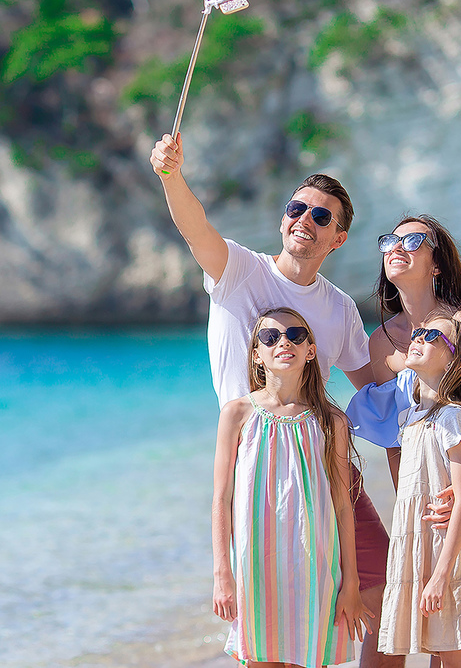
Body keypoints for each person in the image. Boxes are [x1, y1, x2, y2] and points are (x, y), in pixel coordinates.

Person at [151, 133, 401, 667]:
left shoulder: (338, 310)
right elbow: (193, 224)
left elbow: (377, 399)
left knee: (385, 588)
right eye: (297, 209)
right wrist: (172, 175)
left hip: (323, 458)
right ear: (283, 218)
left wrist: (423, 478)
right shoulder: (238, 271)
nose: (304, 220)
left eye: (320, 217)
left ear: (337, 239)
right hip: (257, 463)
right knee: (267, 622)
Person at [350, 216, 461, 667]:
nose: (398, 246)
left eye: (414, 240)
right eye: (391, 240)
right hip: (430, 508)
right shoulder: (382, 346)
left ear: (436, 263)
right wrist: (412, 508)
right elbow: (398, 442)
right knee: (444, 633)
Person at [211, 308, 370, 666]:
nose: (283, 342)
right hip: (255, 566)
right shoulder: (236, 414)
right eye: (270, 337)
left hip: (314, 566)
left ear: (311, 350)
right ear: (257, 354)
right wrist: (223, 573)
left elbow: (343, 505)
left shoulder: (331, 421)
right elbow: (220, 499)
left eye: (295, 335)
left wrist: (351, 582)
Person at [377, 314, 461, 666]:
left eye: (431, 336)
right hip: (424, 548)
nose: (417, 338)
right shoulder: (413, 417)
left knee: (457, 654)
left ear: (456, 361)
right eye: (417, 332)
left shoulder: (452, 417)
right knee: (442, 650)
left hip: (449, 553)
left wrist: (441, 574)